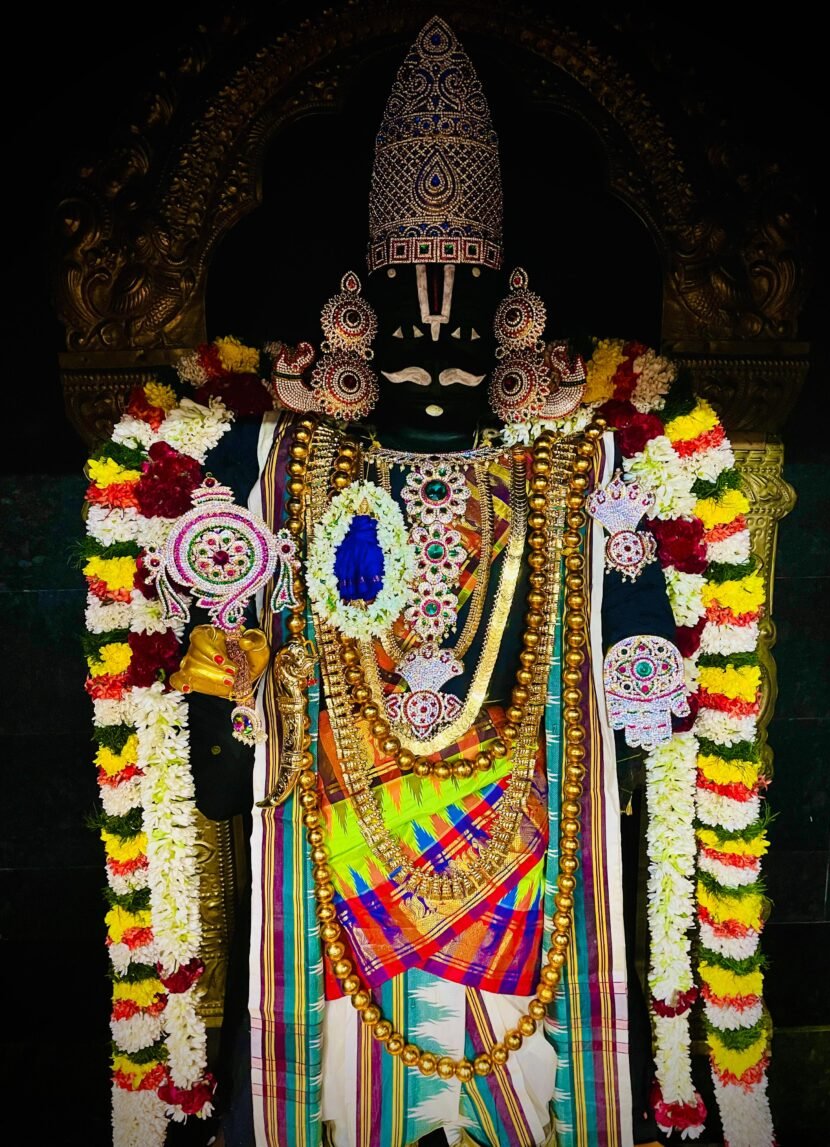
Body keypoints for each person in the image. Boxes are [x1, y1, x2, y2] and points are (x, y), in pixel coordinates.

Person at [177, 18, 688, 1147]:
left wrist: (640, 742)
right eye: (404, 344)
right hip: (339, 817)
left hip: (518, 816)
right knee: (340, 1058)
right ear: (353, 333)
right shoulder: (291, 462)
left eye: (464, 349)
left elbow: (634, 624)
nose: (436, 371)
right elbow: (221, 586)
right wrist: (221, 719)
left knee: (526, 1038)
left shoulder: (568, 465)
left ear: (512, 340)